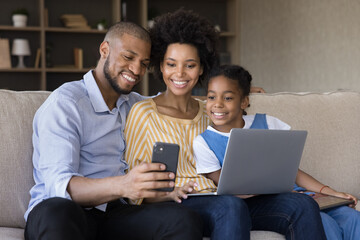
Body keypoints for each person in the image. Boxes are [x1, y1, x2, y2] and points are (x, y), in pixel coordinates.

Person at [125, 9, 326, 240]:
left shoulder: (210, 111)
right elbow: (134, 186)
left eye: (190, 65)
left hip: (226, 200)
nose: (179, 73)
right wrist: (167, 194)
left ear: (201, 69)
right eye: (171, 64)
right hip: (177, 204)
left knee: (301, 205)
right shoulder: (143, 112)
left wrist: (239, 92)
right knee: (230, 207)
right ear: (161, 67)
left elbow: (225, 105)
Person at [24, 21, 204, 240]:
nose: (136, 70)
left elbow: (174, 99)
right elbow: (61, 187)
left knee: (183, 220)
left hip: (115, 213)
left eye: (144, 63)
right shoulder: (66, 103)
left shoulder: (135, 105)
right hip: (65, 214)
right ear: (104, 50)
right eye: (128, 57)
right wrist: (125, 185)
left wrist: (230, 93)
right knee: (58, 212)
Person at [193, 64, 360, 240]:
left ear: (244, 101)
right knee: (325, 222)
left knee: (352, 217)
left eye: (227, 98)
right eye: (211, 97)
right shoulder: (204, 142)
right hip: (259, 204)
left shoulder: (268, 123)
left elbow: (293, 172)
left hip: (300, 196)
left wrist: (331, 192)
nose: (217, 104)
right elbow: (229, 188)